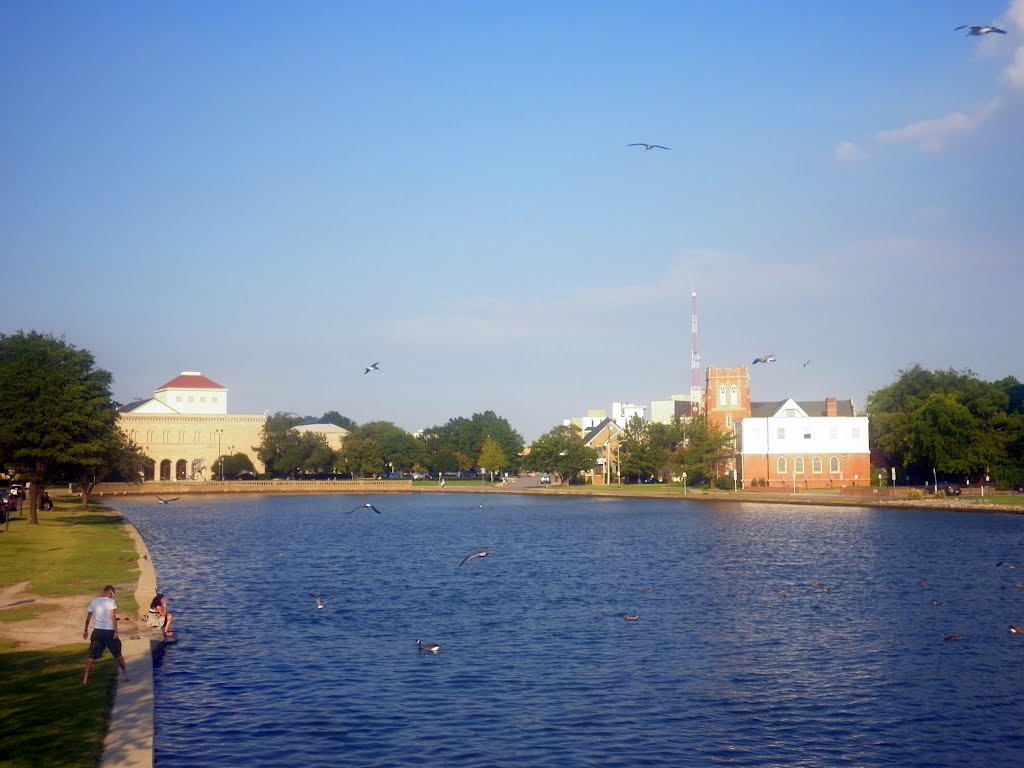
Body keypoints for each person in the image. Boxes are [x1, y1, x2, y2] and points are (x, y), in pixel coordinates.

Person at [83, 585, 129, 684]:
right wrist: (116, 631)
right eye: (112, 594)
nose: (112, 596)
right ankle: (125, 675)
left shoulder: (94, 601)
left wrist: (86, 630)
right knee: (118, 654)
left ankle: (85, 678)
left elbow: (88, 617)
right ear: (108, 591)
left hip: (97, 631)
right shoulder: (111, 602)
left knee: (91, 655)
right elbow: (113, 616)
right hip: (109, 631)